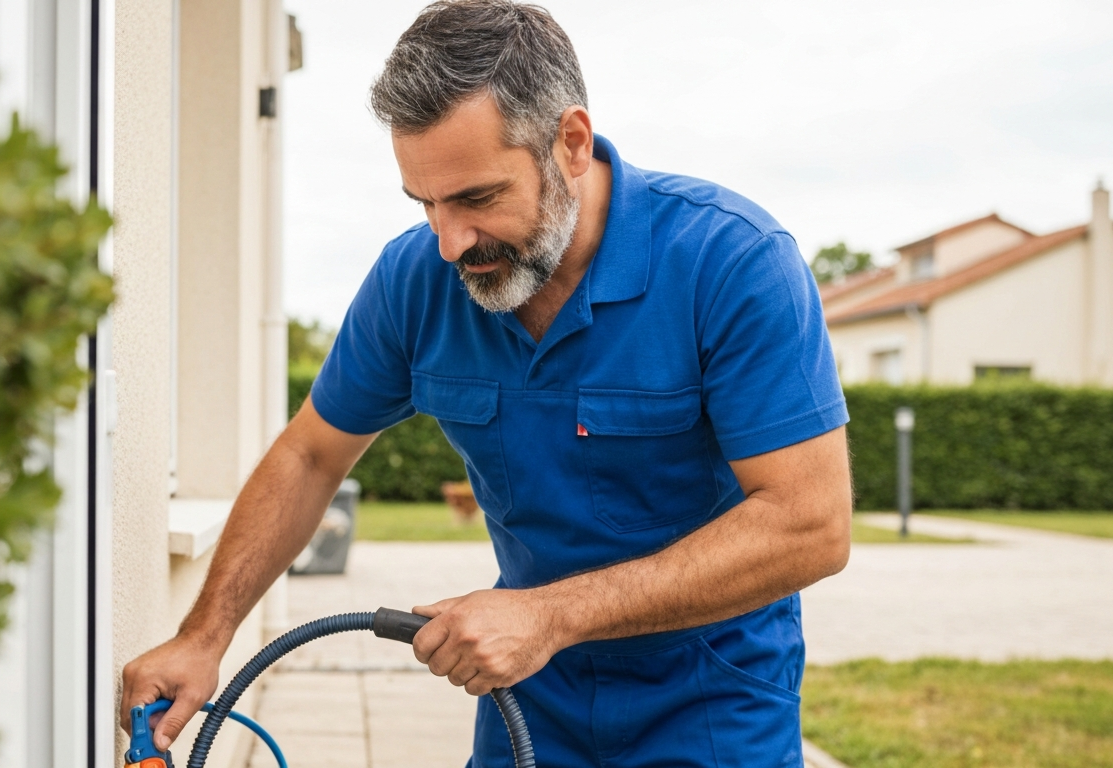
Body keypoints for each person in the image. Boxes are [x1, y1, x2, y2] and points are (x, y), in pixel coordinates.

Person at [122, 1, 852, 764]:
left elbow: (811, 522)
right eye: (425, 204)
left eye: (475, 198)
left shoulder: (730, 263)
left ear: (570, 143)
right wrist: (203, 636)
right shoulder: (414, 280)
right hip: (527, 705)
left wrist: (549, 615)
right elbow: (310, 457)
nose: (449, 243)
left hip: (711, 702)